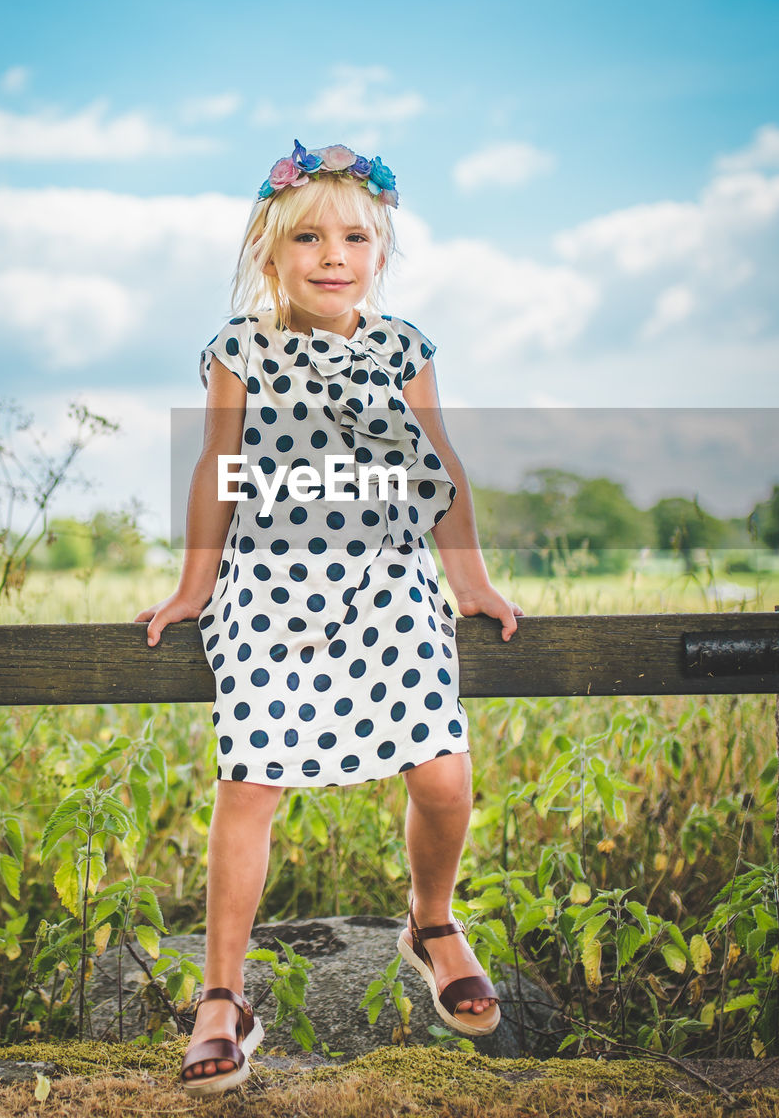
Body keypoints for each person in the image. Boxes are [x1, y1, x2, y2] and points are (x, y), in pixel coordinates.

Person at [135, 140, 523, 1096]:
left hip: (392, 585)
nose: (332, 254)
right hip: (268, 588)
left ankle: (431, 920)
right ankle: (222, 995)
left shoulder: (403, 348)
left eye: (354, 236)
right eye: (307, 237)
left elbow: (441, 463)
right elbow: (215, 471)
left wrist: (467, 577)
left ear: (379, 253)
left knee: (443, 773)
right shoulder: (240, 350)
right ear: (271, 254)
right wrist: (194, 586)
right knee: (250, 782)